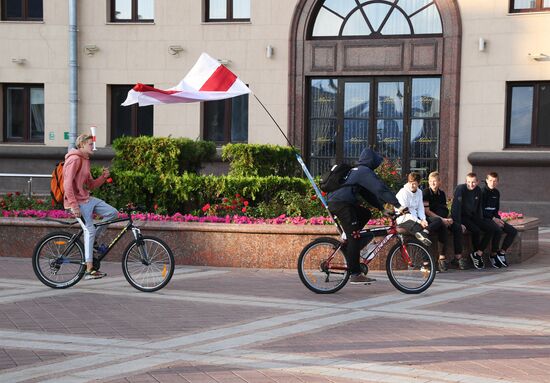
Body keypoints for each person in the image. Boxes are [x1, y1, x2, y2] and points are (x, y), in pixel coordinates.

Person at [327, 148, 405, 284]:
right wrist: (397, 205)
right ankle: (355, 274)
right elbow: (380, 188)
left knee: (365, 214)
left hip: (340, 203)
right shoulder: (364, 171)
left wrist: (382, 209)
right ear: (371, 161)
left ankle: (350, 244)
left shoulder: (356, 171)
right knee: (354, 237)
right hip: (342, 205)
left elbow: (366, 194)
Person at [63, 133, 118, 280]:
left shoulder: (85, 160)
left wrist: (103, 178)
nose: (93, 147)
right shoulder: (74, 159)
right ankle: (89, 269)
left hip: (87, 199)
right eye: (90, 144)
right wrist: (74, 206)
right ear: (81, 145)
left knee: (113, 213)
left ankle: (93, 242)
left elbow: (90, 185)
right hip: (77, 202)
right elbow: (67, 184)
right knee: (90, 230)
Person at [422, 171, 467, 271]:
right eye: (430, 181)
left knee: (457, 227)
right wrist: (442, 220)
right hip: (431, 220)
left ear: (439, 182)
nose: (433, 183)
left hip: (442, 218)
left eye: (435, 181)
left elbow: (444, 208)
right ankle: (442, 258)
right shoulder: (425, 193)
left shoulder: (441, 193)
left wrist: (448, 219)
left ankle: (457, 257)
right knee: (442, 227)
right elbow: (427, 211)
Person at [450, 172, 496, 269]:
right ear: (466, 181)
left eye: (473, 182)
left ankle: (478, 254)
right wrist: (458, 223)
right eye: (469, 182)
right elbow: (455, 208)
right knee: (476, 231)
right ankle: (474, 254)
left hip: (473, 217)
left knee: (491, 229)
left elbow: (479, 207)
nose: (471, 184)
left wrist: (483, 221)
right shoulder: (460, 189)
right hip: (462, 217)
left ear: (477, 182)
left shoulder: (478, 190)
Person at [481, 172, 517, 268]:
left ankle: (501, 252)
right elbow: (481, 210)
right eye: (490, 180)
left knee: (513, 231)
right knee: (497, 230)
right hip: (485, 218)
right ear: (487, 181)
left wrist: (498, 219)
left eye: (495, 181)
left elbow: (496, 210)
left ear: (497, 182)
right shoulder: (482, 192)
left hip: (494, 218)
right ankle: (493, 254)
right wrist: (494, 219)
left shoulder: (496, 193)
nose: (492, 183)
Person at [394, 172, 434, 248]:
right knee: (420, 231)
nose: (412, 185)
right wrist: (420, 221)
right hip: (403, 219)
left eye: (414, 183)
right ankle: (425, 257)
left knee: (437, 221)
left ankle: (424, 234)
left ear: (419, 183)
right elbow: (405, 212)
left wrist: (423, 219)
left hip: (415, 217)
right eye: (410, 183)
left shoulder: (419, 192)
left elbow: (420, 208)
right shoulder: (403, 192)